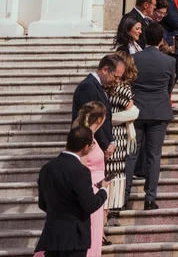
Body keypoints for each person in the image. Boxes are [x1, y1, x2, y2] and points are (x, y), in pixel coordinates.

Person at [34, 127, 109, 257]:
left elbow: (42, 204)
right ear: (85, 147)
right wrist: (103, 190)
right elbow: (90, 205)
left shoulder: (46, 168)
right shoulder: (80, 171)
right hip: (74, 238)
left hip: (52, 235)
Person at [126, 23, 176, 211]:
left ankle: (124, 195)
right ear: (161, 38)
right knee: (154, 155)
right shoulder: (169, 61)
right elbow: (169, 85)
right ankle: (149, 198)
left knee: (131, 154)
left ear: (145, 37)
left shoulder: (133, 58)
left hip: (137, 110)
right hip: (159, 111)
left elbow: (128, 82)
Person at [72, 102, 109, 256]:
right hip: (91, 190)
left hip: (96, 189)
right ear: (100, 119)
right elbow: (80, 168)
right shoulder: (87, 139)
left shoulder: (90, 136)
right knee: (91, 236)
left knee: (94, 235)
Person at [72, 55, 125, 161]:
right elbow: (91, 120)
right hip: (88, 147)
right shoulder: (88, 87)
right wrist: (105, 144)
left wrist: (111, 142)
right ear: (105, 70)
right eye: (115, 76)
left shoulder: (96, 86)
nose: (117, 81)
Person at [105, 51, 139, 211]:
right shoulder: (123, 89)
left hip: (106, 135)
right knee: (116, 175)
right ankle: (115, 207)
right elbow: (133, 111)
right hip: (118, 136)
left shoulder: (104, 87)